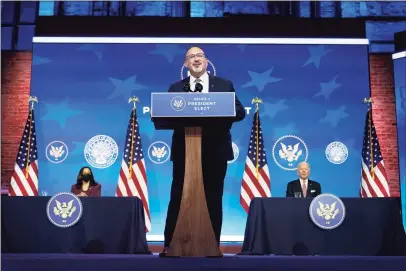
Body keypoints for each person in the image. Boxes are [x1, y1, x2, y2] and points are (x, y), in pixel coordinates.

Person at [160, 46, 246, 256]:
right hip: (185, 152)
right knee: (179, 196)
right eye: (191, 57)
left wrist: (218, 108)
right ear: (185, 64)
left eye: (200, 56)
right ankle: (171, 245)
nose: (196, 59)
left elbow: (240, 111)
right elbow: (166, 113)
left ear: (206, 62)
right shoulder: (175, 88)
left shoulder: (224, 85)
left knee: (213, 197)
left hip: (215, 151)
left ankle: (211, 245)